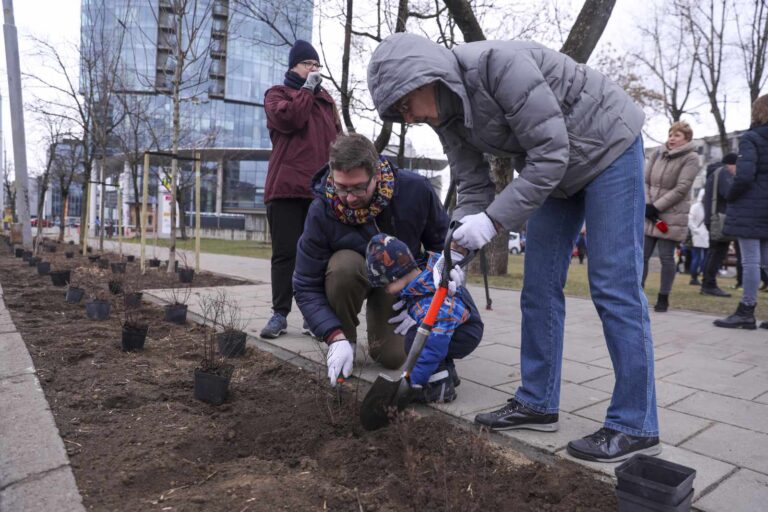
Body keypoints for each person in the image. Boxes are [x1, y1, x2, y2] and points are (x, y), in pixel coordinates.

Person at [368, 33, 659, 463]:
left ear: (424, 76)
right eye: (398, 113)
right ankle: (538, 403)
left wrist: (492, 221)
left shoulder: (496, 66)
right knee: (538, 287)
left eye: (405, 104)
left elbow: (551, 153)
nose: (408, 117)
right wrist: (456, 252)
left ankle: (635, 423)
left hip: (607, 146)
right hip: (554, 172)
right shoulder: (445, 119)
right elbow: (473, 185)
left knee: (613, 286)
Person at [293, 133, 450, 379]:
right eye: (341, 187)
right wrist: (333, 335)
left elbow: (442, 252)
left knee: (392, 357)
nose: (349, 197)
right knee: (343, 266)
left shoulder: (415, 191)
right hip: (350, 276)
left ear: (376, 174)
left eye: (358, 187)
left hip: (398, 284)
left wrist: (424, 298)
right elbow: (305, 284)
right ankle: (346, 343)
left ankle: (384, 331)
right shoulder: (321, 211)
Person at [260, 39, 342, 339]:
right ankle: (279, 314)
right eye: (308, 64)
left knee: (320, 255)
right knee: (285, 255)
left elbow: (339, 143)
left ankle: (313, 316)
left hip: (321, 191)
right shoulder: (277, 95)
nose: (314, 69)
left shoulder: (327, 102)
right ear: (294, 66)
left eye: (316, 65)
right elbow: (291, 119)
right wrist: (307, 90)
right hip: (286, 189)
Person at [363, 233, 484, 402]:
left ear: (395, 275)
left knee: (417, 340)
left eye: (384, 285)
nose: (385, 290)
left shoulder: (431, 302)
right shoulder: (428, 275)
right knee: (422, 336)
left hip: (466, 333)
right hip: (463, 325)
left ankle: (439, 387)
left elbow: (434, 345)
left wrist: (412, 380)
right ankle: (448, 374)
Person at [714, 94, 768, 330]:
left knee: (751, 261)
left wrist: (731, 194)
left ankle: (747, 310)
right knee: (766, 262)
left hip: (750, 207)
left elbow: (744, 175)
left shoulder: (752, 138)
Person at [641, 122, 700, 312]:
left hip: (672, 214)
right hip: (649, 212)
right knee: (641, 256)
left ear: (687, 139)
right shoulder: (657, 153)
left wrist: (657, 206)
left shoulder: (691, 158)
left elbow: (682, 187)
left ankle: (663, 297)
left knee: (666, 257)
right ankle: (637, 294)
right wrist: (648, 205)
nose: (672, 138)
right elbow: (645, 180)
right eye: (670, 134)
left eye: (677, 135)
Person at [700, 153, 737, 297]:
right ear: (731, 164)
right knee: (718, 252)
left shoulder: (714, 172)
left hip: (713, 218)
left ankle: (707, 284)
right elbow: (729, 193)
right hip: (719, 219)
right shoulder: (724, 173)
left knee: (713, 252)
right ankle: (709, 284)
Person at [687, 190, 708, 286]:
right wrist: (696, 231)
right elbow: (690, 221)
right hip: (698, 235)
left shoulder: (699, 206)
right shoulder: (696, 207)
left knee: (704, 257)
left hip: (704, 235)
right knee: (697, 257)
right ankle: (694, 277)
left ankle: (701, 276)